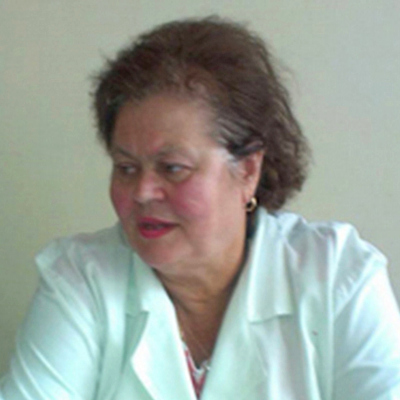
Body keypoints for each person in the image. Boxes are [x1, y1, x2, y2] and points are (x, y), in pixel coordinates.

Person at [1, 16, 400, 400]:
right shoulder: (82, 278)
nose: (142, 192)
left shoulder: (337, 276)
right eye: (126, 167)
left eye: (173, 168)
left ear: (248, 170)